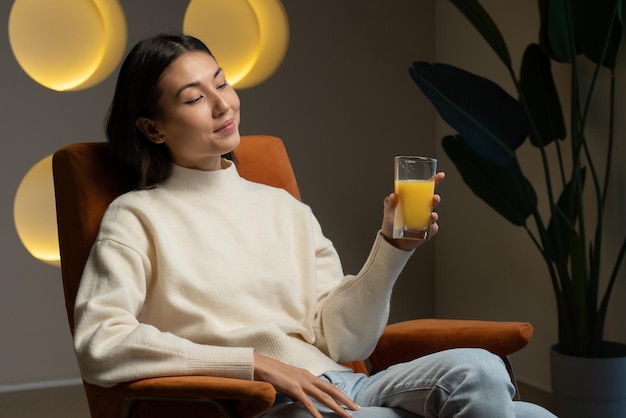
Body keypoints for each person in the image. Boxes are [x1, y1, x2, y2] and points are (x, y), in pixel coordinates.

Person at [73, 33, 557, 418]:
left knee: (481, 368)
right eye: (194, 98)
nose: (223, 105)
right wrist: (254, 366)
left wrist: (392, 247)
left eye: (221, 83)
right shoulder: (136, 217)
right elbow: (102, 341)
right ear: (153, 128)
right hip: (261, 403)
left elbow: (345, 342)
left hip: (345, 387)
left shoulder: (284, 209)